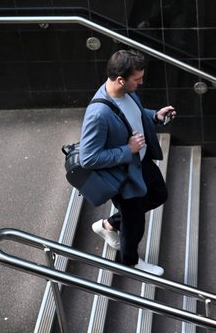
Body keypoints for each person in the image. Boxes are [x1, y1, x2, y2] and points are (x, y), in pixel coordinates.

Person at [79, 49, 175, 276]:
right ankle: (130, 262)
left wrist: (155, 116)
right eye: (137, 78)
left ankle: (109, 225)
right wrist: (127, 149)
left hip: (140, 163)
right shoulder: (98, 114)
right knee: (135, 223)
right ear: (121, 79)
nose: (141, 82)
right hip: (124, 175)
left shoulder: (127, 93)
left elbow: (136, 114)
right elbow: (88, 157)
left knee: (159, 194)